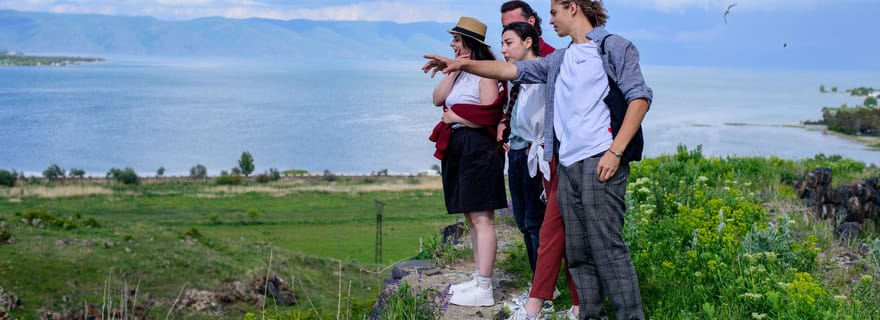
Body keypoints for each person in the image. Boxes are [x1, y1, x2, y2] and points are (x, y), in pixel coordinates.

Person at [422, 0, 653, 318]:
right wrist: (460, 65)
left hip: (600, 157)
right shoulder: (560, 59)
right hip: (567, 163)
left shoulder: (613, 47)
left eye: (555, 12)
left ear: (573, 7)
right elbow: (509, 70)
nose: (550, 20)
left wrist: (616, 151)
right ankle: (589, 314)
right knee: (578, 252)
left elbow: (639, 98)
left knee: (607, 247)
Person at [498, 22, 581, 320]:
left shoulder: (547, 73)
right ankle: (556, 297)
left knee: (551, 230)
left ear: (528, 42)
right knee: (539, 227)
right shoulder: (521, 80)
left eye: (509, 43)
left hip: (549, 159)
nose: (504, 49)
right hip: (530, 155)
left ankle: (552, 298)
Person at [428, 16, 508, 307]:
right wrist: (453, 69)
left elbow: (489, 114)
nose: (452, 44)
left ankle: (485, 286)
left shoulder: (486, 74)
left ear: (469, 44)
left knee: (482, 217)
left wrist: (458, 117)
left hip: (478, 149)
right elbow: (438, 99)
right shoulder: (461, 72)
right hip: (459, 147)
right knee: (470, 216)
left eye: (457, 40)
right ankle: (478, 276)